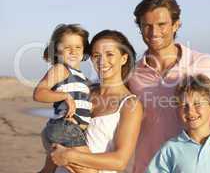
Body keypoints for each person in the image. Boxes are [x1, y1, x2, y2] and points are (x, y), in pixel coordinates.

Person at [128, 0, 210, 172]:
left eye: (162, 24)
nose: (154, 32)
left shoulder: (204, 63)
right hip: (148, 167)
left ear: (176, 24)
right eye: (147, 26)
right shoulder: (132, 74)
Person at [50, 30, 143, 173]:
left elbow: (120, 161)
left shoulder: (130, 104)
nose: (102, 61)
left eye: (110, 54)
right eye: (96, 55)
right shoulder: (83, 90)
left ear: (124, 59)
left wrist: (69, 155)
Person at [33, 24, 95, 173]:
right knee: (90, 170)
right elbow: (39, 93)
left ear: (84, 50)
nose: (73, 51)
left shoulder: (83, 78)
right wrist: (65, 96)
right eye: (67, 47)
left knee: (48, 170)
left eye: (78, 47)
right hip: (65, 128)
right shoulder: (61, 69)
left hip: (68, 130)